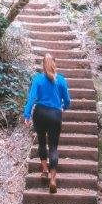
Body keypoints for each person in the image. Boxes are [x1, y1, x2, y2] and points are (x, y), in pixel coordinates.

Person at [23, 53, 71, 193]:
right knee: (54, 147)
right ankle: (53, 179)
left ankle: (44, 170)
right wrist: (64, 107)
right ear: (54, 64)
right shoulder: (61, 80)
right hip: (55, 114)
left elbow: (32, 98)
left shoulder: (38, 79)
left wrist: (26, 114)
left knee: (42, 143)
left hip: (40, 113)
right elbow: (67, 101)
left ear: (43, 65)